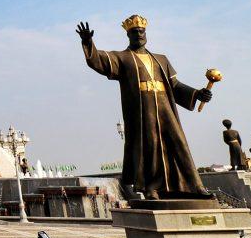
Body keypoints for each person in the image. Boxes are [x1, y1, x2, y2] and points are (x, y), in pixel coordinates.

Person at [77, 16, 212, 201]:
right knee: (150, 146)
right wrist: (88, 42)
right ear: (128, 35)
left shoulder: (160, 59)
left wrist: (197, 94)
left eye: (141, 31)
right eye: (134, 32)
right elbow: (98, 60)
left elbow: (175, 85)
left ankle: (195, 187)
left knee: (179, 144)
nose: (139, 34)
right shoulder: (122, 58)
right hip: (142, 110)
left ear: (146, 34)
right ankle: (151, 188)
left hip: (165, 107)